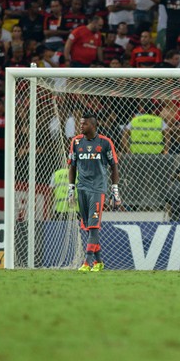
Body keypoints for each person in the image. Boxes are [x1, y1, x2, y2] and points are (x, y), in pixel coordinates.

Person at [68, 112, 120, 272]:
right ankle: (99, 262)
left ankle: (87, 262)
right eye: (80, 123)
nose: (81, 126)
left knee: (94, 226)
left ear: (93, 125)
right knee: (89, 226)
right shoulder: (76, 141)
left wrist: (115, 191)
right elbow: (72, 165)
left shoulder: (105, 143)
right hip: (82, 188)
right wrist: (71, 189)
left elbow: (114, 167)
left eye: (84, 124)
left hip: (97, 189)